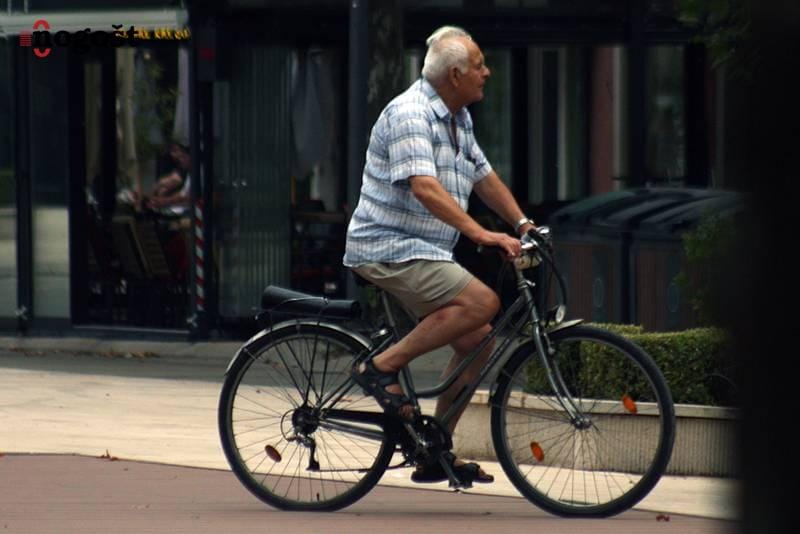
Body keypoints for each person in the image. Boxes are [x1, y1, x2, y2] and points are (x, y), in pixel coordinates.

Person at [344, 25, 536, 484]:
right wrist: (482, 234)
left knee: (478, 341)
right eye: (479, 66)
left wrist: (522, 224)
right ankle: (380, 367)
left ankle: (433, 449)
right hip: (388, 248)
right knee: (482, 302)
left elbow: (483, 176)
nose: (487, 73)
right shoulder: (410, 113)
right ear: (455, 75)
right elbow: (425, 188)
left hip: (426, 250)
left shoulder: (457, 117)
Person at [145, 142, 192, 216]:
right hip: (177, 207)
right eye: (172, 151)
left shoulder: (195, 173)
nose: (181, 160)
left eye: (183, 157)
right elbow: (182, 193)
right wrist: (159, 199)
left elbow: (188, 196)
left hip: (187, 211)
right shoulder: (188, 172)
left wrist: (164, 201)